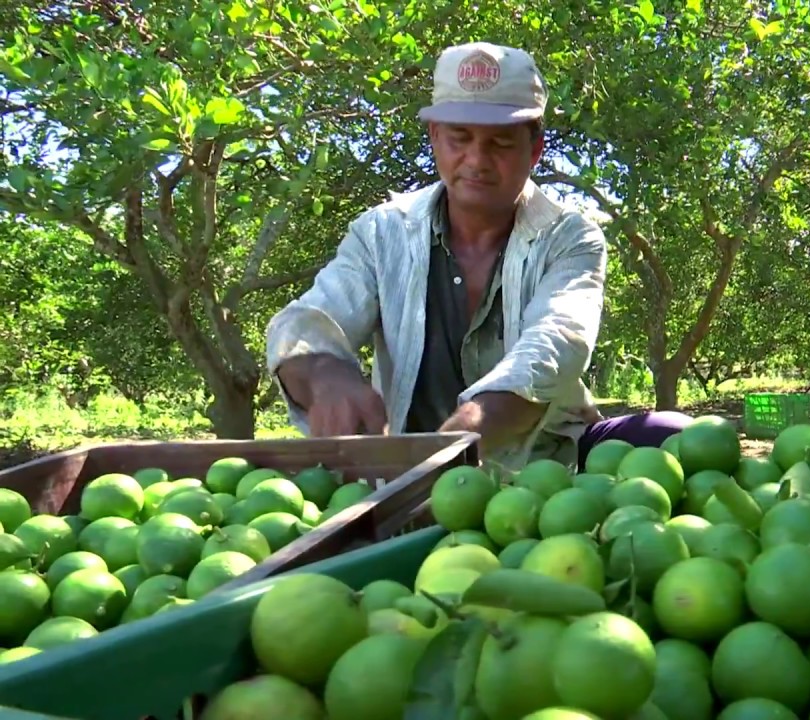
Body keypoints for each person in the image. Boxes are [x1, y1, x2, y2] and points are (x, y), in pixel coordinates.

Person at [264, 41, 692, 472]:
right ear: (435, 138)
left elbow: (558, 341)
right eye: (460, 138)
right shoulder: (381, 233)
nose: (477, 160)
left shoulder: (570, 237)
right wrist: (325, 376)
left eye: (501, 143)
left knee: (674, 434)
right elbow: (303, 322)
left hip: (547, 460)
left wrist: (468, 433)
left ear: (535, 150)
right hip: (410, 474)